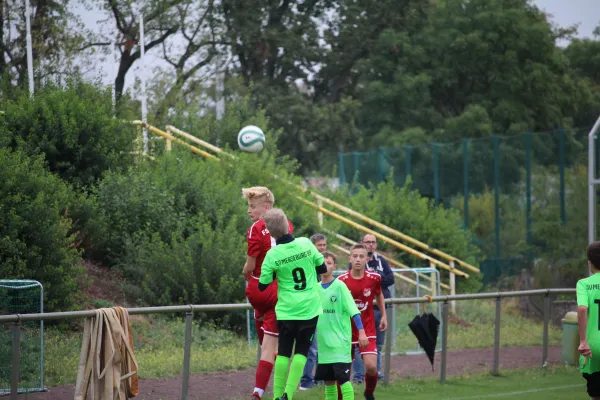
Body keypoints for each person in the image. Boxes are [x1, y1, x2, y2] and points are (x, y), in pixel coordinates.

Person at [258, 208, 327, 400]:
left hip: (287, 311)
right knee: (302, 351)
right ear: (287, 224)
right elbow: (322, 267)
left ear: (270, 233)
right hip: (310, 308)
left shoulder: (272, 255)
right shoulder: (305, 243)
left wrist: (275, 272)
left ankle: (276, 395)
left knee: (284, 353)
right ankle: (288, 394)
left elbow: (263, 285)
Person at [242, 187, 293, 400]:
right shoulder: (287, 225)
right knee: (270, 347)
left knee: (265, 344)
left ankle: (259, 388)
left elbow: (250, 266)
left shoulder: (256, 228)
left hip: (259, 288)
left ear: (267, 207)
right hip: (279, 289)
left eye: (252, 206)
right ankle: (259, 391)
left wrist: (246, 273)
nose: (248, 210)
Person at [314, 251, 369, 400]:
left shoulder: (340, 287)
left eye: (329, 263)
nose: (325, 265)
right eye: (322, 263)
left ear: (334, 267)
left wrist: (362, 331)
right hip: (324, 345)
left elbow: (354, 311)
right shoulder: (315, 289)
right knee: (329, 382)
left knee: (343, 380)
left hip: (340, 343)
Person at [338, 244, 387, 400]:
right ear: (349, 258)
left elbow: (379, 295)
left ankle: (369, 392)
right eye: (355, 256)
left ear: (367, 259)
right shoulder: (341, 281)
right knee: (344, 371)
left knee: (371, 367)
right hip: (346, 330)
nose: (358, 259)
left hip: (367, 328)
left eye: (361, 256)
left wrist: (384, 315)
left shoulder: (374, 278)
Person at [351, 234, 395, 381]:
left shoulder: (381, 260)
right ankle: (358, 376)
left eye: (373, 242)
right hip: (361, 310)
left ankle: (377, 372)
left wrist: (377, 277)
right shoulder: (357, 260)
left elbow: (390, 279)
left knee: (378, 343)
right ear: (362, 243)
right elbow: (356, 280)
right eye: (367, 242)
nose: (370, 244)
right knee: (358, 344)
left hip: (378, 309)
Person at [299, 233, 328, 391]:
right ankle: (306, 381)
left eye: (324, 245)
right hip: (310, 311)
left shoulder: (325, 263)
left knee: (322, 347)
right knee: (311, 348)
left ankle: (321, 379)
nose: (322, 248)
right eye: (319, 245)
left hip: (324, 311)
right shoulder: (310, 263)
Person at [577, 241, 600, 400]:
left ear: (589, 263)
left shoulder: (584, 284)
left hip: (594, 346)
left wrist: (583, 340)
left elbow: (583, 308)